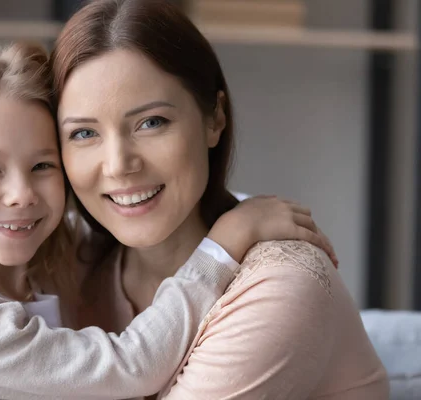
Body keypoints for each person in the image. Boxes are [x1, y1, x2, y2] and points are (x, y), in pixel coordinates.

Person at [0, 42, 333, 400]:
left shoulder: (42, 259)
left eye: (42, 166)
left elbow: (157, 212)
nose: (21, 196)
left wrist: (243, 210)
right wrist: (228, 240)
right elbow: (130, 367)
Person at [51, 0, 389, 398]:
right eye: (84, 134)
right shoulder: (70, 267)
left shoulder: (281, 285)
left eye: (151, 122)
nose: (119, 165)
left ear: (215, 119)